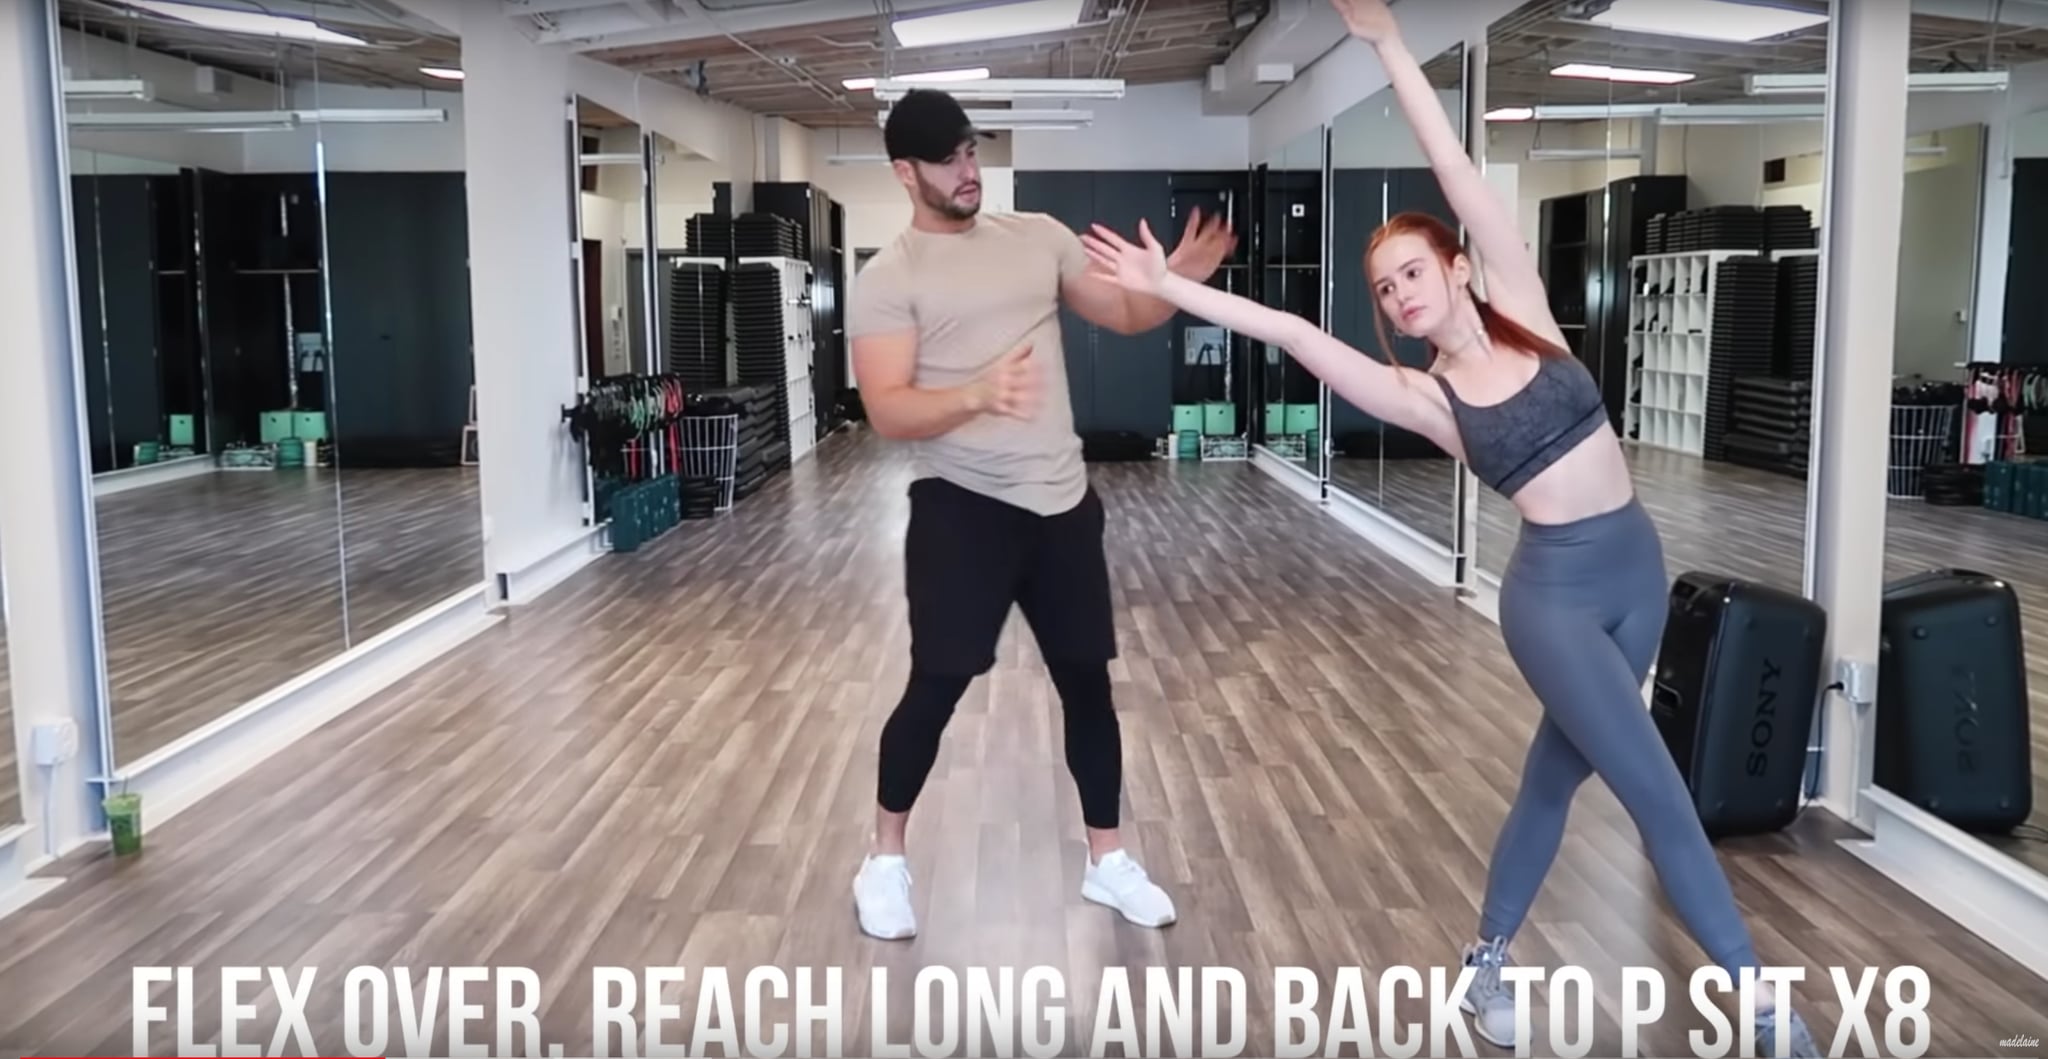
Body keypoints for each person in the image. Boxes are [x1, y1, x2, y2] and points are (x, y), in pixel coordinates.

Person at [1076, 2, 1820, 1055]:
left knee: (1553, 779)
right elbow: (1292, 330)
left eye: (1412, 273)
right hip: (1556, 601)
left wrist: (1388, 42)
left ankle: (1486, 962)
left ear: (1457, 266)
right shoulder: (1428, 400)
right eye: (1384, 290)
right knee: (1658, 792)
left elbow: (1453, 167)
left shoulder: (1527, 307)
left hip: (1637, 570)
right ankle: (1762, 1005)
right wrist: (1173, 288)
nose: (1398, 296)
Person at [844, 87, 1237, 941]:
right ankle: (884, 859)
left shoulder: (1037, 238)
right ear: (906, 173)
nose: (967, 170)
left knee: (1088, 685)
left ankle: (1108, 860)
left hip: (1062, 506)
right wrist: (977, 393)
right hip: (962, 509)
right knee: (936, 686)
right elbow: (888, 410)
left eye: (971, 151)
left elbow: (1125, 312)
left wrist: (1178, 279)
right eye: (947, 159)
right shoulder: (889, 278)